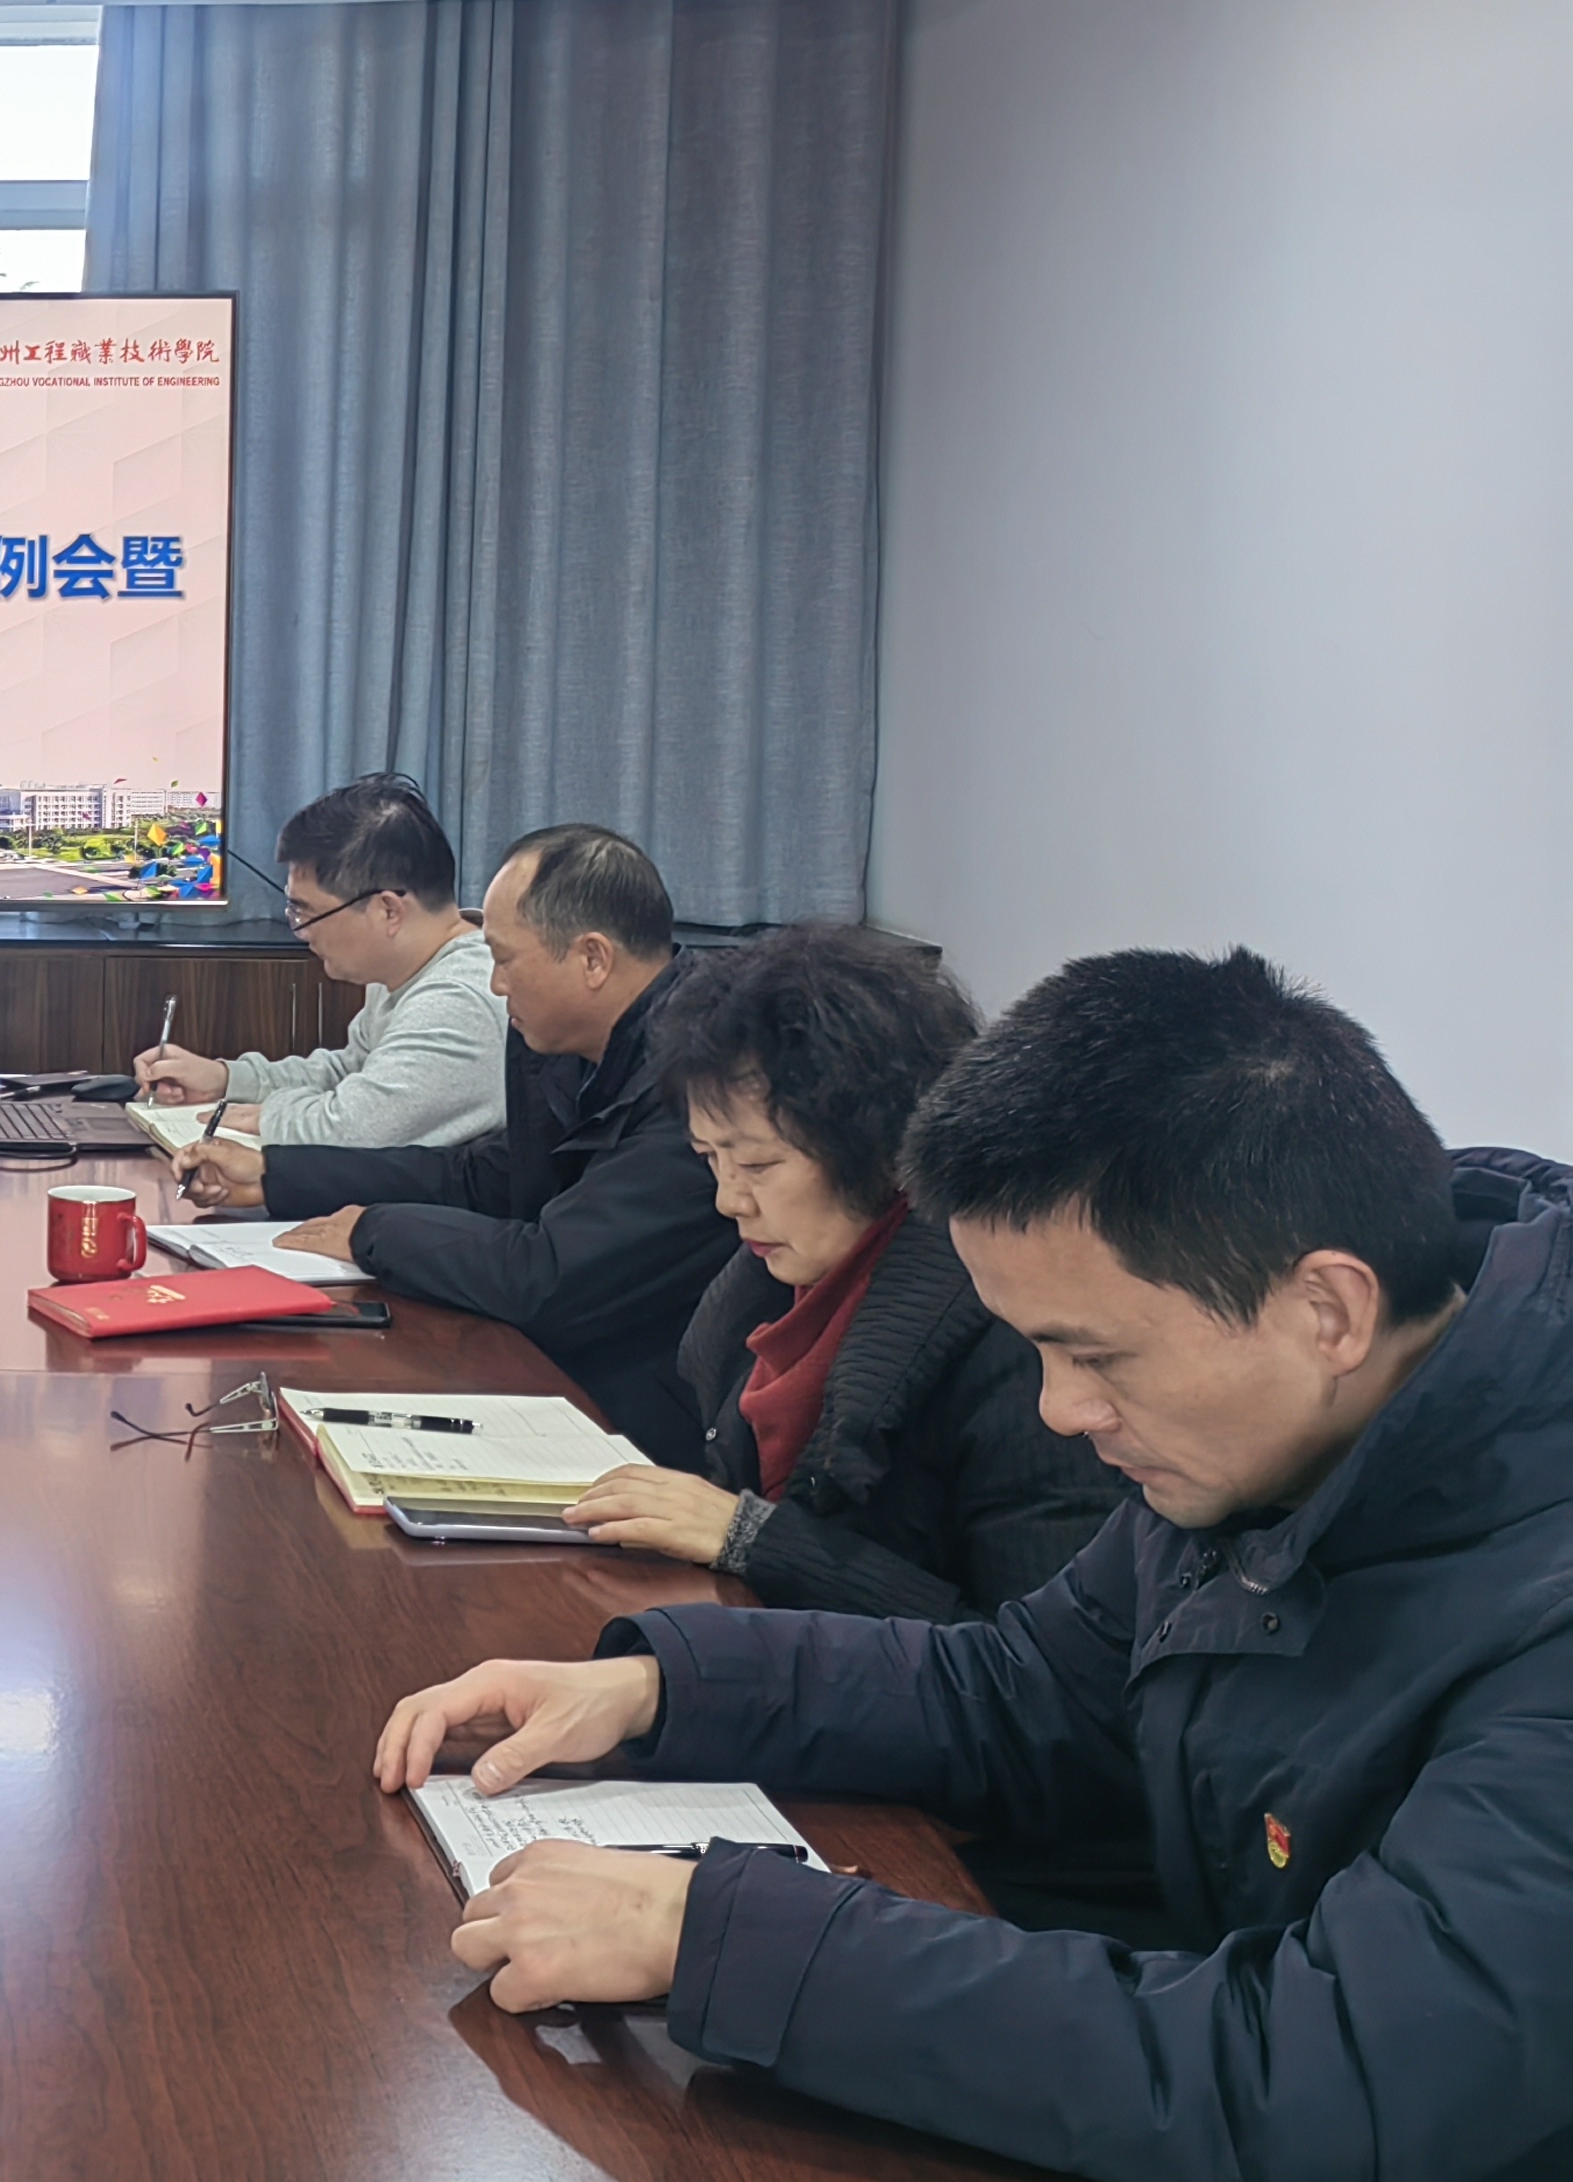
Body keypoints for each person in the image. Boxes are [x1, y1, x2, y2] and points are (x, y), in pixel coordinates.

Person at [374, 949, 1573, 2182]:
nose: (1059, 1410)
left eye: (1096, 1355)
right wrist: (662, 1687)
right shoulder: (1251, 1453)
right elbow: (1012, 1688)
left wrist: (721, 1935)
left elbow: (1315, 2081)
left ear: (1329, 1312)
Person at [559, 922, 1128, 1617]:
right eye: (710, 1158)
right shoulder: (775, 1286)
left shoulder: (1013, 1335)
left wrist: (754, 1539)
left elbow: (1033, 1652)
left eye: (759, 1164)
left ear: (881, 1145)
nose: (728, 1199)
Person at [176, 823, 736, 1466]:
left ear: (592, 959)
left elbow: (550, 1277)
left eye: (505, 959)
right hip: (551, 1374)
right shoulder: (566, 1042)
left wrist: (374, 1232)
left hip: (642, 1430)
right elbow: (481, 1175)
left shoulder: (705, 1079)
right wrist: (276, 1175)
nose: (495, 985)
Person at [129, 772, 503, 1153]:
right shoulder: (408, 969)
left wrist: (268, 1117)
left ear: (388, 911)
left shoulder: (458, 1001)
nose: (302, 932)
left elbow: (353, 1130)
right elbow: (350, 1072)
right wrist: (226, 1078)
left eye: (307, 913)